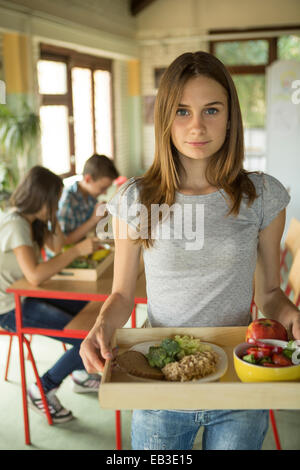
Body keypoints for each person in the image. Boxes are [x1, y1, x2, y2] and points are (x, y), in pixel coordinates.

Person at [79, 51, 300, 450]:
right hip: (159, 379)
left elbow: (269, 294)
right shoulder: (135, 200)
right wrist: (101, 325)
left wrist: (294, 318)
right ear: (165, 118)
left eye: (211, 110)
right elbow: (123, 295)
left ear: (231, 116)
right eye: (182, 111)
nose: (197, 126)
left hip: (239, 379)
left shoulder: (263, 195)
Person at [0, 166, 102, 424]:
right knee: (85, 336)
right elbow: (35, 275)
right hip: (8, 308)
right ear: (42, 198)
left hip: (27, 295)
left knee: (93, 313)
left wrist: (52, 216)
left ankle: (79, 372)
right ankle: (42, 389)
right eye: (55, 199)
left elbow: (57, 245)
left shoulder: (31, 222)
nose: (58, 203)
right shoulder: (15, 223)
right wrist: (77, 250)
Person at [57, 154, 119, 245]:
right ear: (88, 179)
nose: (105, 193)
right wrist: (93, 220)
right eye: (102, 188)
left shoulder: (91, 196)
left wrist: (102, 218)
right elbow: (62, 242)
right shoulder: (67, 199)